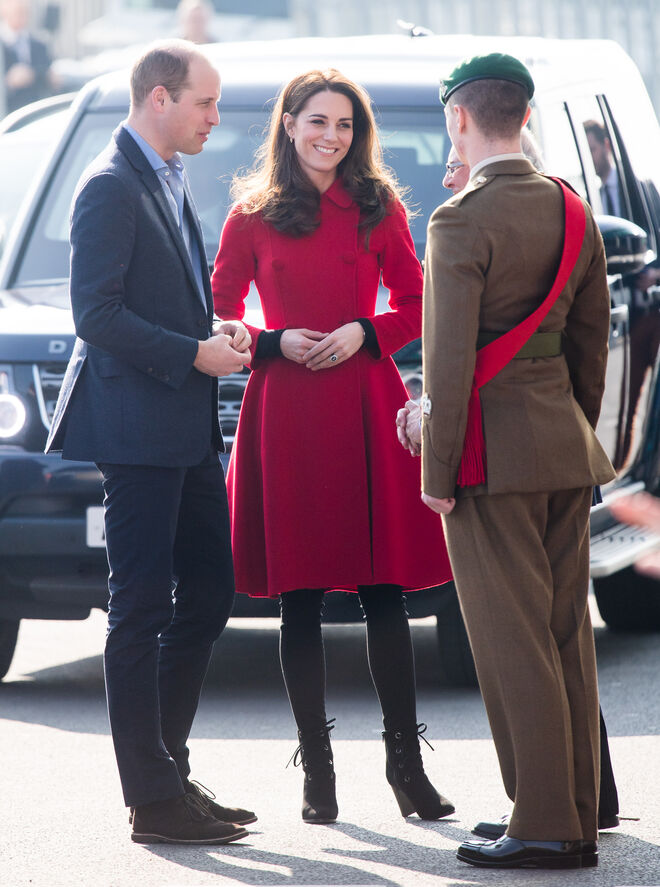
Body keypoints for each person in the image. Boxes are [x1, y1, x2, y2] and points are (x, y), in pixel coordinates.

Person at [211, 68, 454, 825]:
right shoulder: (249, 216)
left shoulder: (378, 209)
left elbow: (420, 305)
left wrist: (366, 330)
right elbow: (218, 318)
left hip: (364, 400)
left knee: (384, 591)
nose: (331, 136)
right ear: (289, 124)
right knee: (301, 597)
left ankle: (405, 768)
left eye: (345, 124)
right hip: (286, 412)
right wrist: (274, 340)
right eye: (318, 120)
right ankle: (318, 772)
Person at [45, 40, 255, 846]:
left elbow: (159, 296)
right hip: (137, 432)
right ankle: (154, 800)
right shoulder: (107, 184)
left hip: (185, 428)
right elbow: (94, 318)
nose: (214, 118)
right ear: (159, 98)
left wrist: (214, 331)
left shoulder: (168, 175)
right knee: (138, 607)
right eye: (205, 103)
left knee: (208, 589)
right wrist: (188, 353)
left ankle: (170, 772)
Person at [420, 53, 616, 869]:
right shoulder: (573, 209)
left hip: (490, 458)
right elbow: (590, 341)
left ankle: (545, 824)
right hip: (564, 444)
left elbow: (448, 365)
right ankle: (582, 799)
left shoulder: (459, 221)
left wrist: (437, 473)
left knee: (513, 640)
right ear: (526, 115)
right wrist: (566, 420)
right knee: (566, 629)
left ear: (459, 118)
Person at [0, 0, 52, 114]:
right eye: (18, 11)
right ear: (4, 10)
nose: (22, 16)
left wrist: (33, 74)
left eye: (25, 11)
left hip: (34, 114)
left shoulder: (39, 45)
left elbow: (49, 78)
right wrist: (7, 83)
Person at [584, 119, 624, 218]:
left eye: (592, 150)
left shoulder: (633, 186)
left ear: (607, 145)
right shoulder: (593, 200)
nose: (589, 158)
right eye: (585, 154)